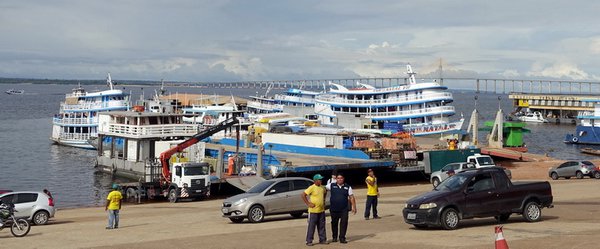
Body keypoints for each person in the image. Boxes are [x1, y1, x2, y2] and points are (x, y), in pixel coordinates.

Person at [326, 173, 356, 244]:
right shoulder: (331, 185)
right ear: (336, 179)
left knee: (344, 223)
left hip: (344, 209)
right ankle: (334, 237)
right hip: (334, 208)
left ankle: (342, 238)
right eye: (338, 178)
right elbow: (323, 190)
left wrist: (354, 207)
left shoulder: (348, 187)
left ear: (343, 179)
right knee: (334, 223)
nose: (340, 179)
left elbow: (351, 197)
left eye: (341, 178)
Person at [301, 174, 329, 246]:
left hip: (321, 210)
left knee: (322, 226)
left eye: (321, 179)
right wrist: (308, 203)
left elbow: (325, 192)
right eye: (319, 180)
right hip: (313, 211)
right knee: (311, 226)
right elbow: (303, 195)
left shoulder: (322, 188)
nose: (321, 181)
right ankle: (309, 241)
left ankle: (322, 239)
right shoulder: (312, 188)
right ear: (315, 181)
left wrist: (323, 200)